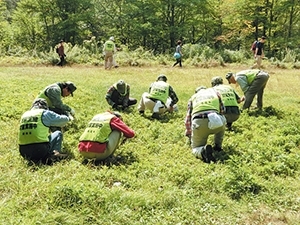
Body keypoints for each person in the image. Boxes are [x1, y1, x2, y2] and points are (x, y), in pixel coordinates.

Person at [18, 98, 72, 164]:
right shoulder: (44, 113)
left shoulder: (24, 115)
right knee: (58, 133)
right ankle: (54, 154)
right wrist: (66, 115)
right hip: (40, 149)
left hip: (23, 152)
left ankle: (41, 158)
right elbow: (64, 120)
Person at [185, 86, 226, 163]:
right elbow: (223, 110)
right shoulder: (215, 93)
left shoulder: (193, 98)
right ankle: (218, 146)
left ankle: (202, 150)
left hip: (199, 123)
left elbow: (188, 118)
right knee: (222, 120)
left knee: (195, 148)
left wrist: (189, 133)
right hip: (216, 121)